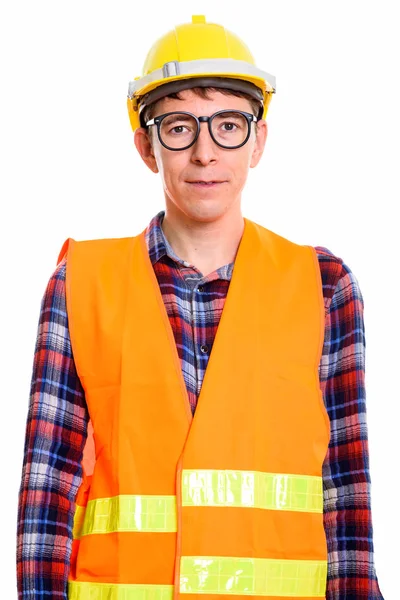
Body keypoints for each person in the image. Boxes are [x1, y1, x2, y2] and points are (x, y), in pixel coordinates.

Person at [16, 14, 385, 600]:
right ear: (146, 145)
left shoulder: (324, 285)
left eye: (229, 125)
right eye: (179, 126)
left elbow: (346, 493)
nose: (206, 152)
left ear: (259, 140)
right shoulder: (80, 284)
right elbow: (47, 487)